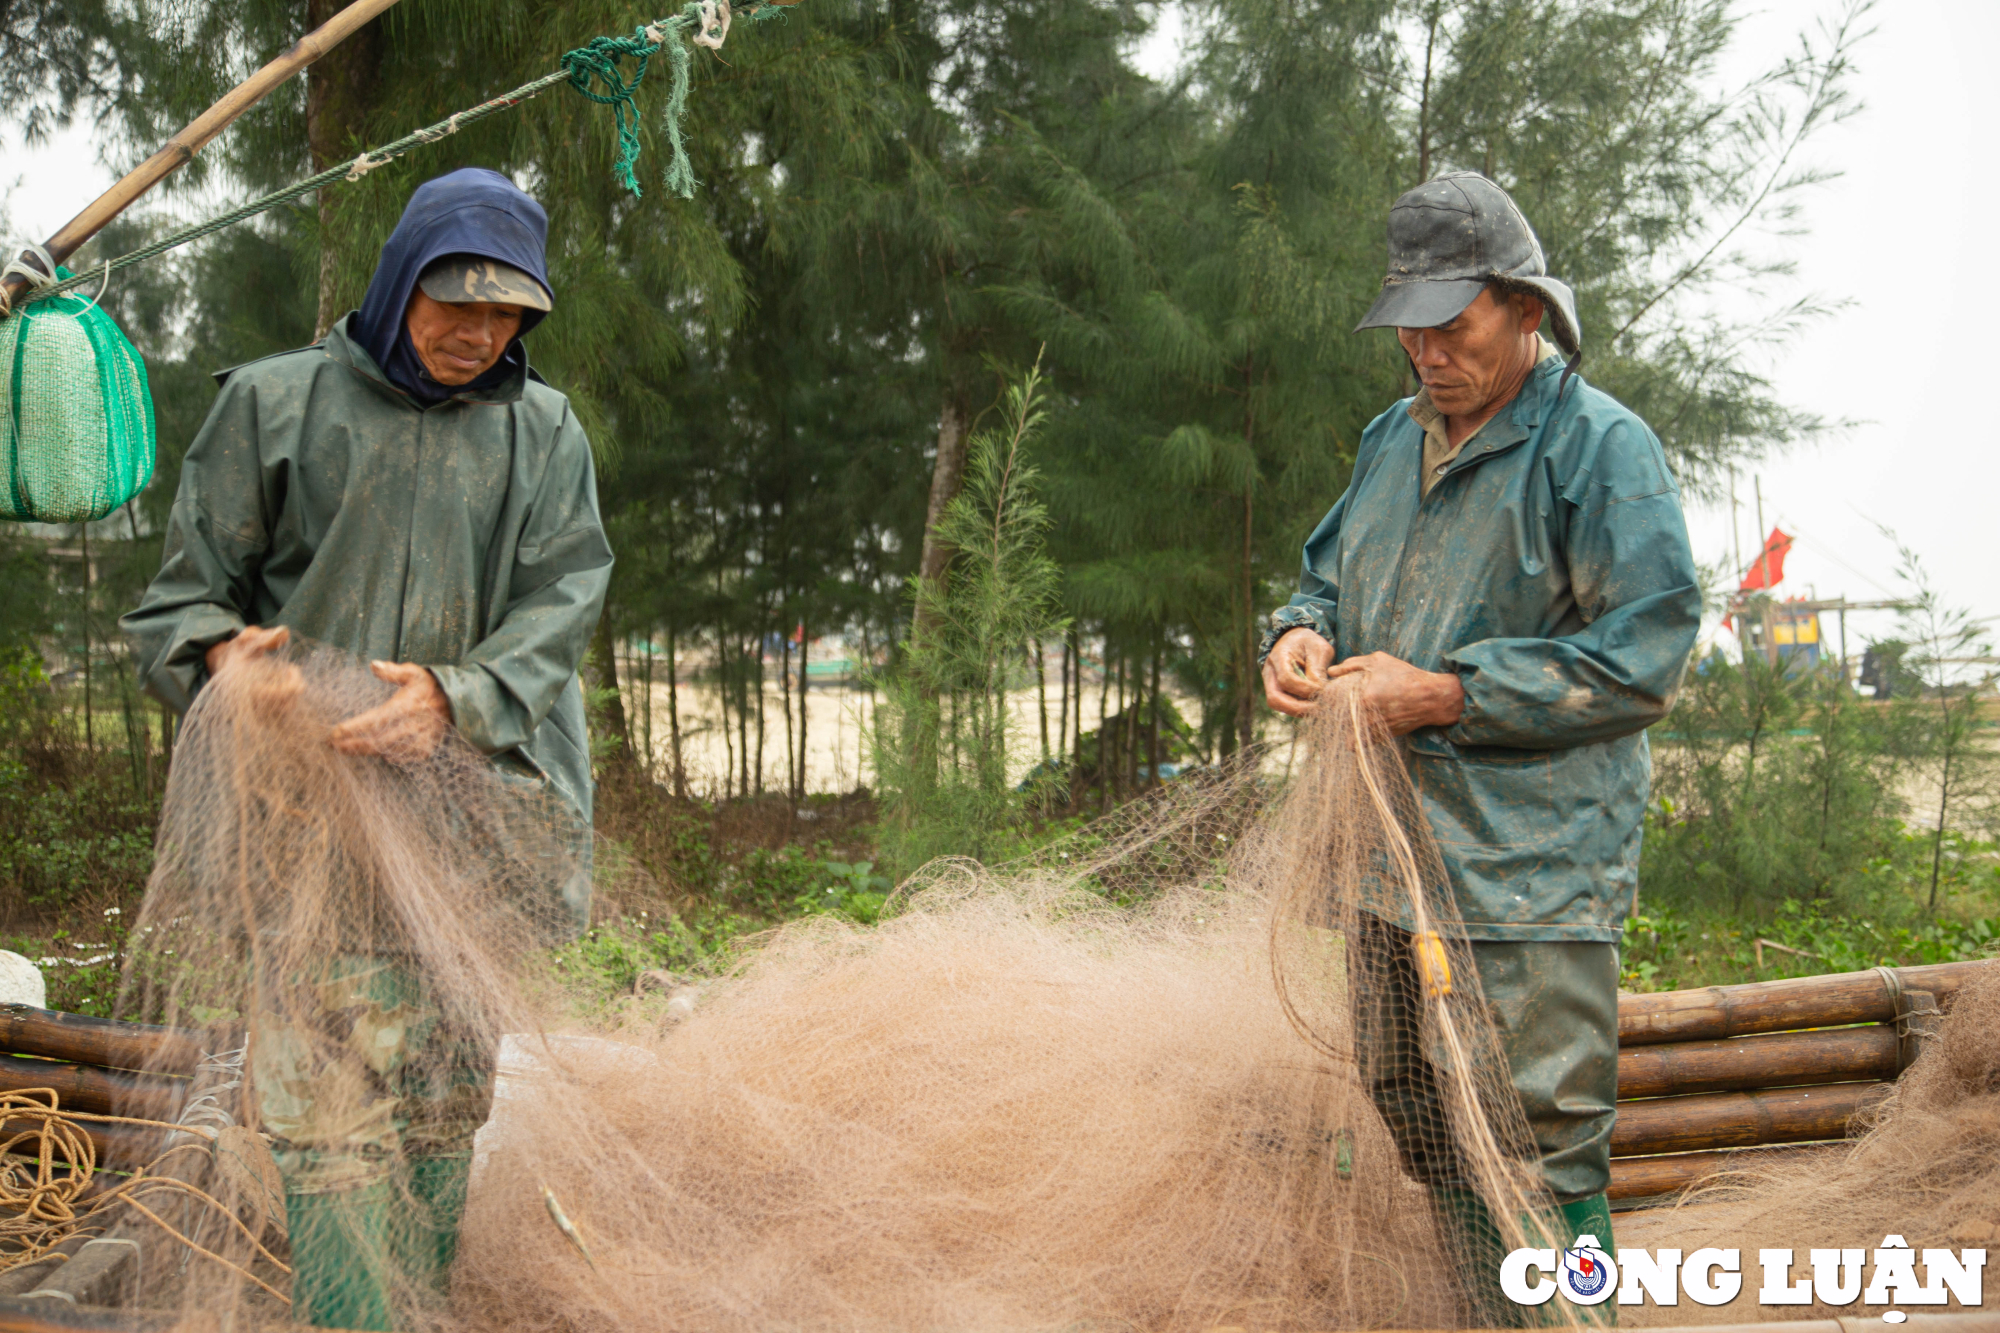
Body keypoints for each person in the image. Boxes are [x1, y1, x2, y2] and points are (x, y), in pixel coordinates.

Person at [122, 167, 613, 1329]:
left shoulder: (542, 435)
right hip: (306, 828)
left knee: (445, 1095)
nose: (479, 332)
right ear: (401, 282)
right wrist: (223, 664)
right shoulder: (274, 406)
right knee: (320, 1108)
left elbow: (563, 595)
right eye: (457, 302)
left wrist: (457, 696)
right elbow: (181, 604)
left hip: (479, 816)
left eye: (509, 313)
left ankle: (417, 1307)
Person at [1258, 172, 1699, 1323]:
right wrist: (1300, 632)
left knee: (1538, 1138)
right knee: (1408, 1096)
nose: (1424, 353)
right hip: (1384, 848)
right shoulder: (1385, 440)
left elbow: (1642, 653)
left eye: (1451, 327)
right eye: (1408, 328)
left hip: (1525, 869)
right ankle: (1491, 1309)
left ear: (1526, 311)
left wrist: (1447, 693)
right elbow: (1322, 572)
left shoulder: (1600, 450)